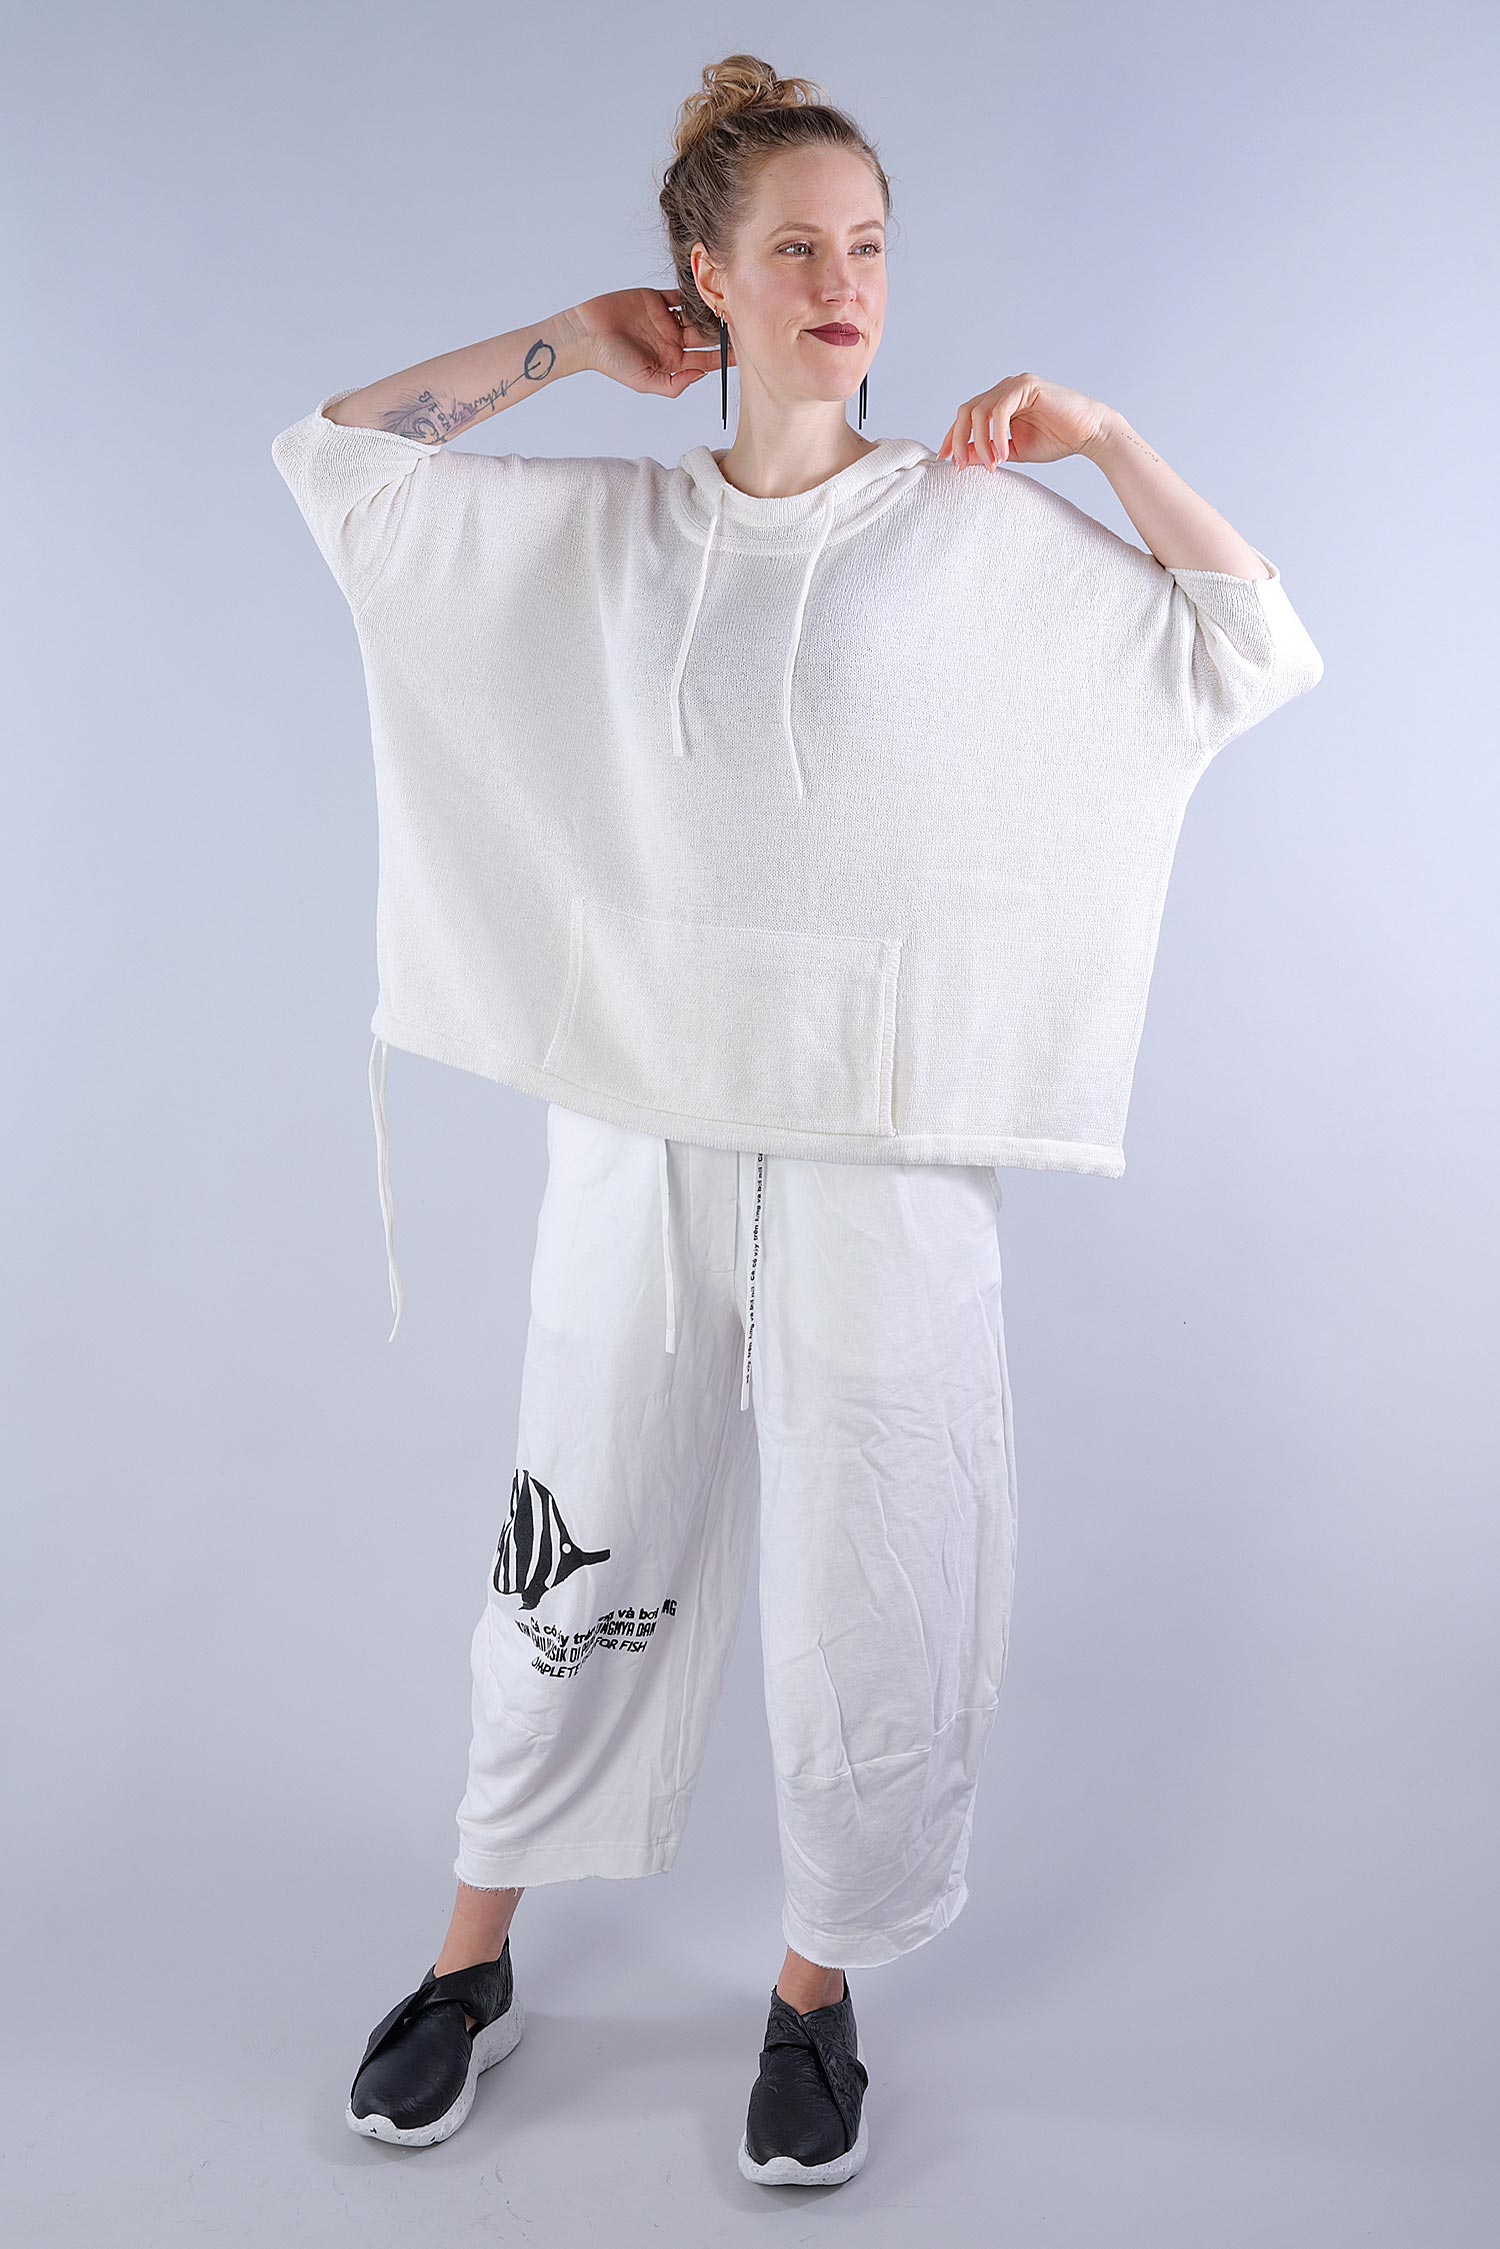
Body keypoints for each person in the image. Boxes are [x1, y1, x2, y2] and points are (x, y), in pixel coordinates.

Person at [271, 53, 1323, 2192]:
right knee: (576, 1530)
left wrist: (1106, 439)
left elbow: (1245, 642)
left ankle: (817, 1990)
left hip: (881, 1142)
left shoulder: (969, 532)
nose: (845, 286)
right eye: (796, 250)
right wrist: (567, 345)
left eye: (870, 249)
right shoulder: (614, 532)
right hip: (642, 1125)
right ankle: (472, 1958)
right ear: (709, 276)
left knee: (884, 1558)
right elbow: (343, 468)